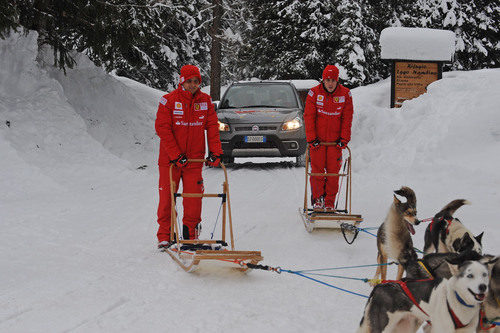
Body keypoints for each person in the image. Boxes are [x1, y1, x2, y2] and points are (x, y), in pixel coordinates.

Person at [155, 64, 223, 248]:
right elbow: (163, 129)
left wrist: (215, 152)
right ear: (182, 81)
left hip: (194, 160)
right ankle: (165, 235)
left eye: (196, 81)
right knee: (167, 198)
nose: (192, 85)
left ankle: (190, 234)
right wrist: (176, 155)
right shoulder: (168, 101)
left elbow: (212, 127)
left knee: (193, 198)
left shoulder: (206, 101)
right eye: (189, 81)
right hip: (170, 161)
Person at [303, 65, 354, 211]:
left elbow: (347, 118)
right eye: (327, 80)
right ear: (323, 80)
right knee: (317, 172)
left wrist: (344, 139)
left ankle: (330, 202)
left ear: (337, 80)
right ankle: (318, 200)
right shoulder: (314, 93)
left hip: (334, 144)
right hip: (318, 143)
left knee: (333, 173)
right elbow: (309, 116)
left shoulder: (345, 94)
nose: (330, 83)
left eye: (333, 80)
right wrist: (312, 139)